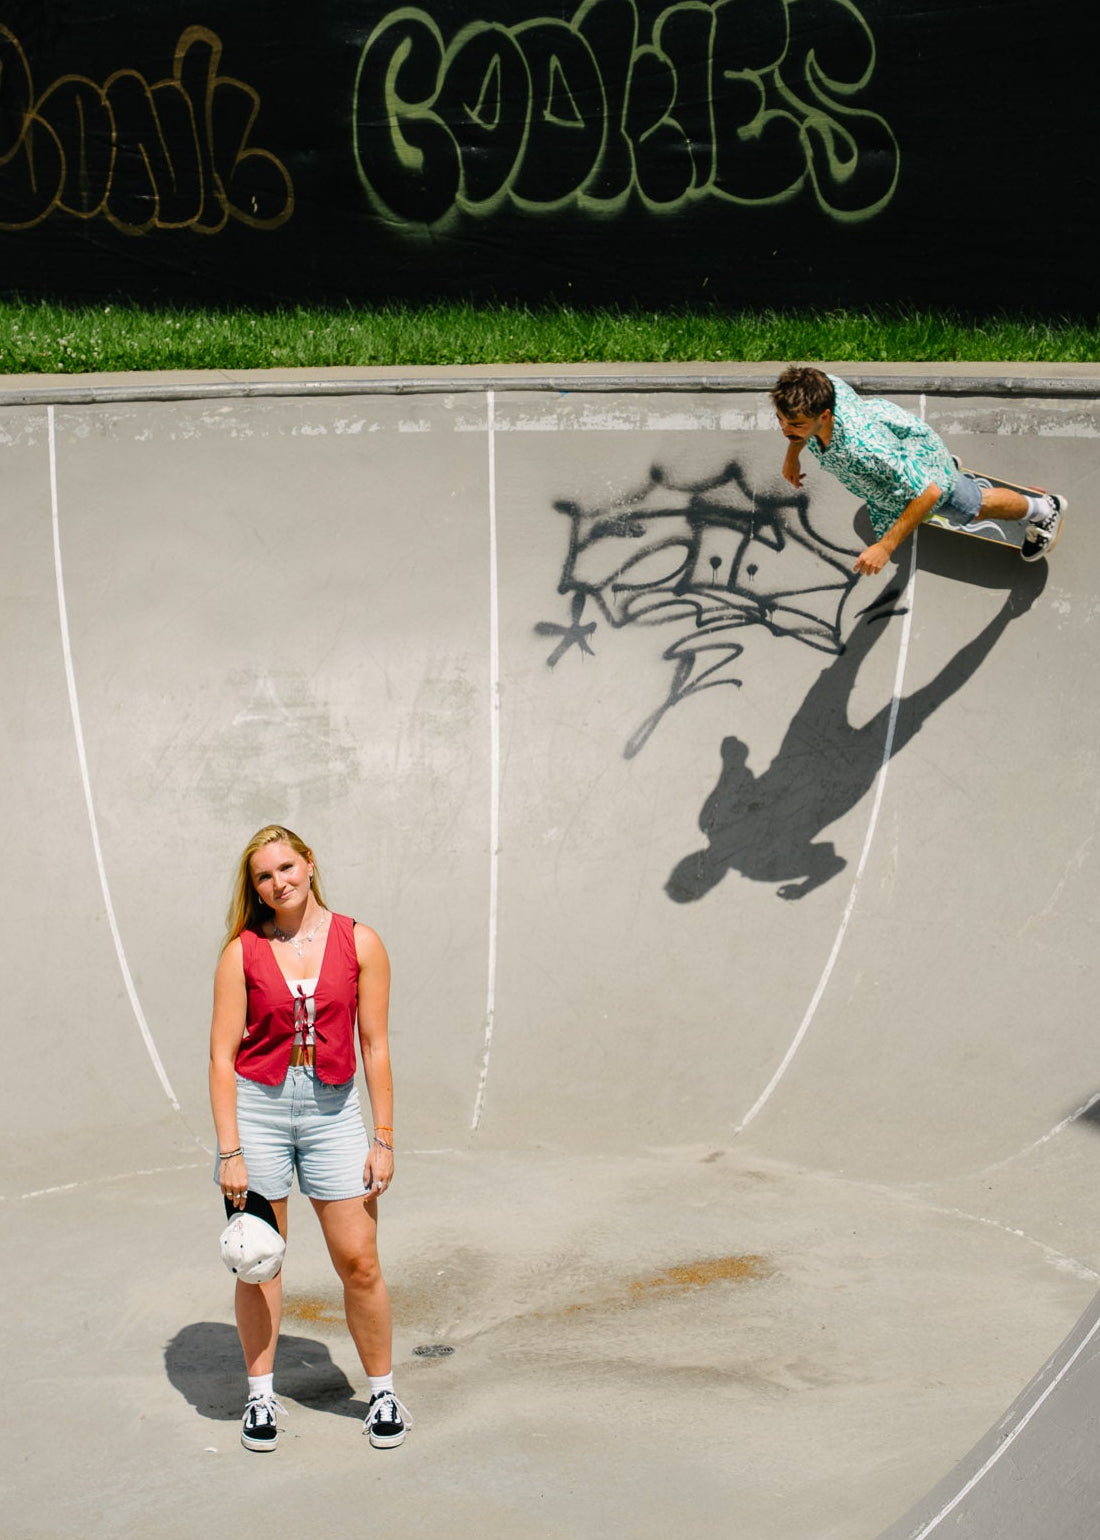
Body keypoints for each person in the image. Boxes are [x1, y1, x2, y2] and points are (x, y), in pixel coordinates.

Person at [209, 824, 409, 1453]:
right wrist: (231, 1150)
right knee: (258, 1263)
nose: (279, 882)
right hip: (260, 1112)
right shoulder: (240, 952)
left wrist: (383, 1136)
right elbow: (220, 1059)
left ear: (310, 864)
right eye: (265, 876)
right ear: (256, 887)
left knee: (360, 1262)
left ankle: (381, 1391)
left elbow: (375, 1045)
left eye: (287, 868)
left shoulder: (361, 940)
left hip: (334, 1115)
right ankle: (261, 1397)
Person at [772, 365, 1066, 574]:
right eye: (781, 420)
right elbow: (797, 426)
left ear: (825, 415)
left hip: (920, 473)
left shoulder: (866, 449)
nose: (786, 430)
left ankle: (1043, 508)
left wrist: (885, 548)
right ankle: (930, 470)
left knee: (973, 504)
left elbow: (929, 491)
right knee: (910, 492)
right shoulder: (819, 386)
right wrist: (792, 453)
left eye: (796, 425)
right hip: (898, 437)